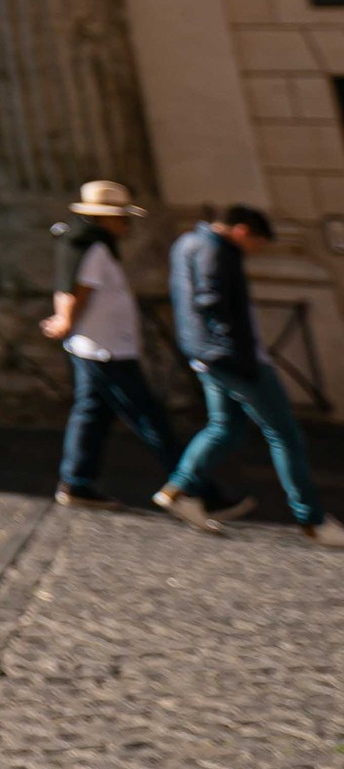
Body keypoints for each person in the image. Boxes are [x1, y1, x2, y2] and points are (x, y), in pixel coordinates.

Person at [156, 207, 342, 545]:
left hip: (206, 354)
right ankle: (312, 520)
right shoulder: (217, 250)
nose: (254, 250)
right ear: (242, 230)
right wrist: (240, 355)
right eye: (256, 243)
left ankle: (179, 490)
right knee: (285, 435)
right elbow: (211, 301)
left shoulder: (188, 242)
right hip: (233, 359)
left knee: (224, 428)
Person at [41, 179, 177, 508]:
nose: (126, 224)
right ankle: (192, 484)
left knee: (92, 414)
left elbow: (66, 286)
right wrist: (66, 320)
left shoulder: (78, 242)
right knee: (148, 417)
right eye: (121, 217)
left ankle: (76, 482)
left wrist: (64, 320)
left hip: (93, 346)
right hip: (106, 350)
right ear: (103, 218)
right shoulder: (95, 248)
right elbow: (79, 289)